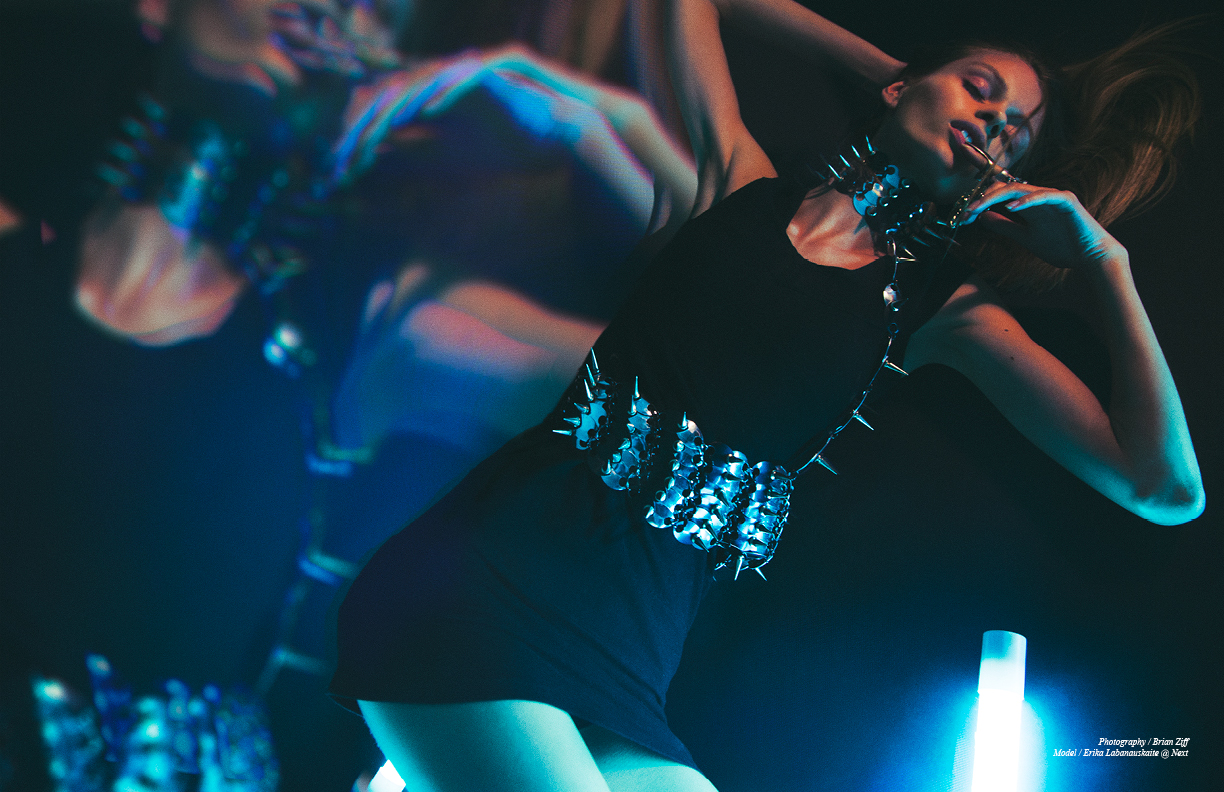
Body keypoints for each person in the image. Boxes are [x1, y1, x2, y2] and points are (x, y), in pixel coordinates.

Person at [329, 0, 1206, 789]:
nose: (991, 122)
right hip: (474, 588)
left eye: (1013, 135)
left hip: (625, 665)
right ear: (903, 86)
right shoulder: (737, 181)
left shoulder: (944, 313)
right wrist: (892, 75)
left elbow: (1165, 488)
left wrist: (1105, 263)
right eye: (980, 90)